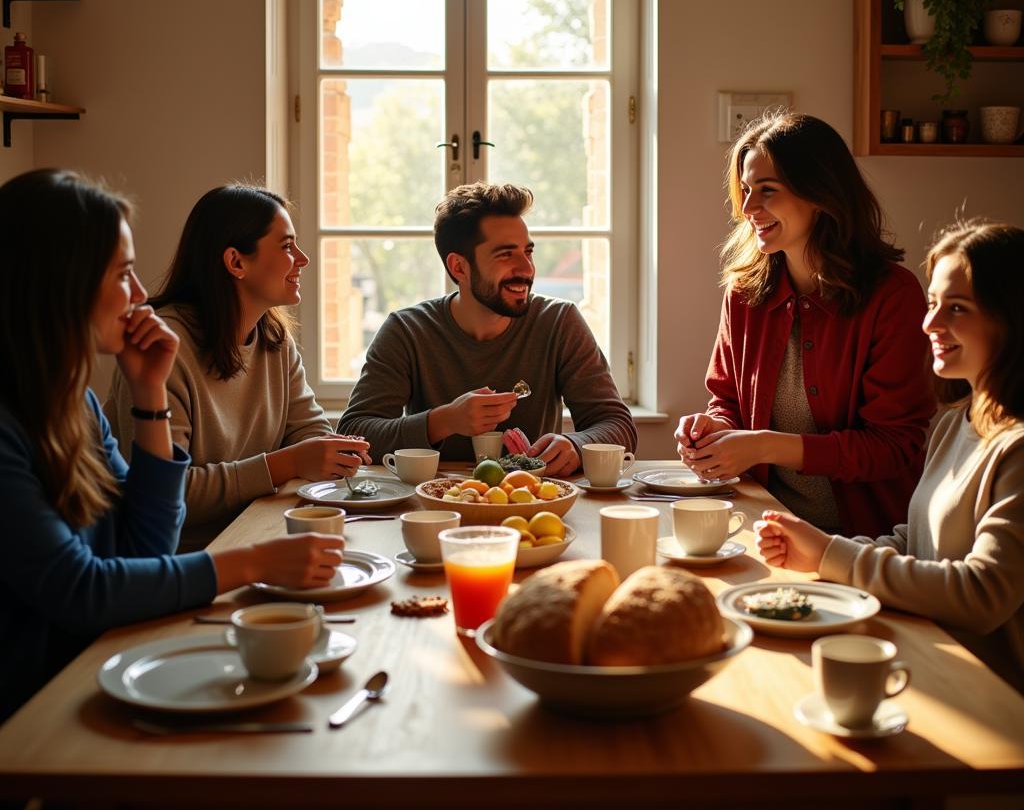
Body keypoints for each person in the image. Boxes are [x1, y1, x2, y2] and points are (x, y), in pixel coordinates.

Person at [0, 170, 344, 723]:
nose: (140, 296)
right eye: (123, 273)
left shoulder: (78, 408)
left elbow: (145, 548)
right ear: (60, 282)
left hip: (94, 666)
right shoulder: (9, 426)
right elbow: (79, 589)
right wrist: (252, 561)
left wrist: (149, 395)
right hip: (35, 708)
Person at [755, 220, 1024, 692]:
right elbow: (914, 541)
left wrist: (834, 555)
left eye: (956, 309)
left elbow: (983, 595)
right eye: (933, 304)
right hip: (928, 656)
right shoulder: (955, 423)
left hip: (989, 694)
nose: (929, 325)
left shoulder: (1017, 449)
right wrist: (819, 558)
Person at [675, 112, 933, 537]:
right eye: (745, 191)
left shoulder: (892, 295)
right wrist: (713, 430)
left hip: (867, 541)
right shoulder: (743, 293)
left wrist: (763, 445)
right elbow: (728, 403)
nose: (749, 208)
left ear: (821, 194)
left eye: (768, 191)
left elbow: (894, 447)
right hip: (765, 528)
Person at [106, 184, 369, 551]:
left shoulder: (274, 339)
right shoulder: (161, 351)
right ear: (236, 262)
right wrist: (287, 463)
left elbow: (307, 430)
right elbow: (171, 492)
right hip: (188, 556)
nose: (303, 259)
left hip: (259, 535)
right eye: (287, 246)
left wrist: (331, 452)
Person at [338, 182, 636, 475]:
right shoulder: (407, 331)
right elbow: (354, 433)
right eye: (505, 254)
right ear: (459, 267)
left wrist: (576, 444)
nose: (526, 268)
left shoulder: (559, 322)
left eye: (528, 252)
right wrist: (445, 421)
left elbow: (618, 425)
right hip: (435, 508)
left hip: (533, 504)